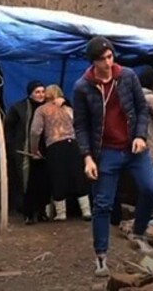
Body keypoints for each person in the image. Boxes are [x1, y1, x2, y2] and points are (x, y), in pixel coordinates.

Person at [73, 36, 153, 277]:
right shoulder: (82, 87)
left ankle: (139, 233)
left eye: (110, 57)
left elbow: (142, 109)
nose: (108, 63)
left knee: (151, 189)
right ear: (93, 62)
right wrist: (87, 157)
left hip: (133, 147)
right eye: (102, 59)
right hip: (106, 151)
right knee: (103, 204)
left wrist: (141, 135)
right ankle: (101, 257)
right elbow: (81, 126)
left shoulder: (128, 76)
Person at [30, 84, 92, 222]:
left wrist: (34, 149)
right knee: (78, 176)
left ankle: (61, 213)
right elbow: (78, 123)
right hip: (73, 144)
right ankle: (86, 211)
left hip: (54, 145)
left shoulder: (41, 110)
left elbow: (35, 131)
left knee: (58, 177)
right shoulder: (68, 109)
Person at [4, 80, 50, 225]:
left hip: (44, 150)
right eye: (37, 92)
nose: (41, 95)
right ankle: (27, 213)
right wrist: (12, 146)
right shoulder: (19, 108)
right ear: (30, 94)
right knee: (26, 183)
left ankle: (42, 211)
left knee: (43, 182)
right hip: (24, 151)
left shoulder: (49, 107)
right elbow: (9, 127)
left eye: (43, 92)